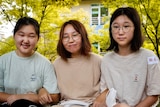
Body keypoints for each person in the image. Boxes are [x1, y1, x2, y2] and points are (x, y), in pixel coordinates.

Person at [93, 7, 160, 107]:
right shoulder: (106, 59)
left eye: (126, 26)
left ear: (135, 28)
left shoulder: (150, 57)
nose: (120, 32)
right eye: (116, 27)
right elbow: (106, 92)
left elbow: (154, 94)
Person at [0, 17, 60, 107]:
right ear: (14, 36)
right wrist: (17, 98)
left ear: (38, 39)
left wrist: (28, 97)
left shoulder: (45, 64)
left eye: (31, 36)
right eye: (21, 35)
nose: (26, 40)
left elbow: (55, 97)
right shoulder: (3, 61)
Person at [52, 20, 102, 107]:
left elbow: (110, 87)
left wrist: (102, 97)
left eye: (75, 35)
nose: (70, 40)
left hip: (91, 104)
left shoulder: (98, 61)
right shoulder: (56, 64)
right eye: (65, 37)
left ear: (83, 36)